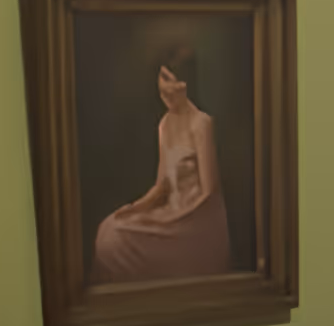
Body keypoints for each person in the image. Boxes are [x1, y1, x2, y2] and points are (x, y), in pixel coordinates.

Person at [92, 37, 233, 283]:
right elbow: (161, 187)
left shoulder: (202, 123)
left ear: (188, 84)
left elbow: (209, 194)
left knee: (116, 238)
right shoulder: (164, 124)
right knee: (109, 228)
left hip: (197, 224)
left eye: (175, 81)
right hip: (171, 215)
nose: (167, 88)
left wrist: (166, 220)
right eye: (164, 78)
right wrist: (133, 210)